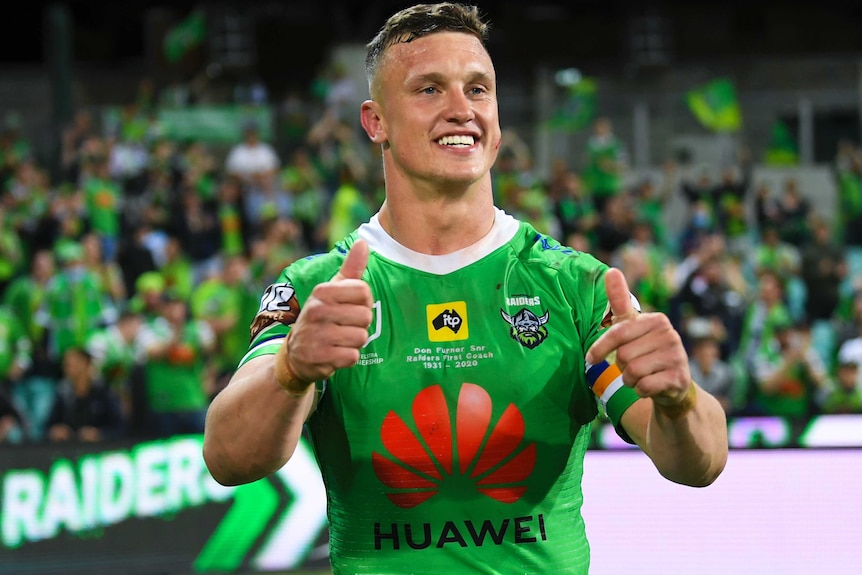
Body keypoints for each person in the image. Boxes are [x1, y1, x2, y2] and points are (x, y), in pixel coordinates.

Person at [202, 4, 728, 575]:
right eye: (429, 89)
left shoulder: (577, 286)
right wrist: (291, 371)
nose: (461, 110)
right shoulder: (319, 291)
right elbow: (228, 457)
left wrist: (679, 401)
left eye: (478, 89)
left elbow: (697, 463)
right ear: (375, 121)